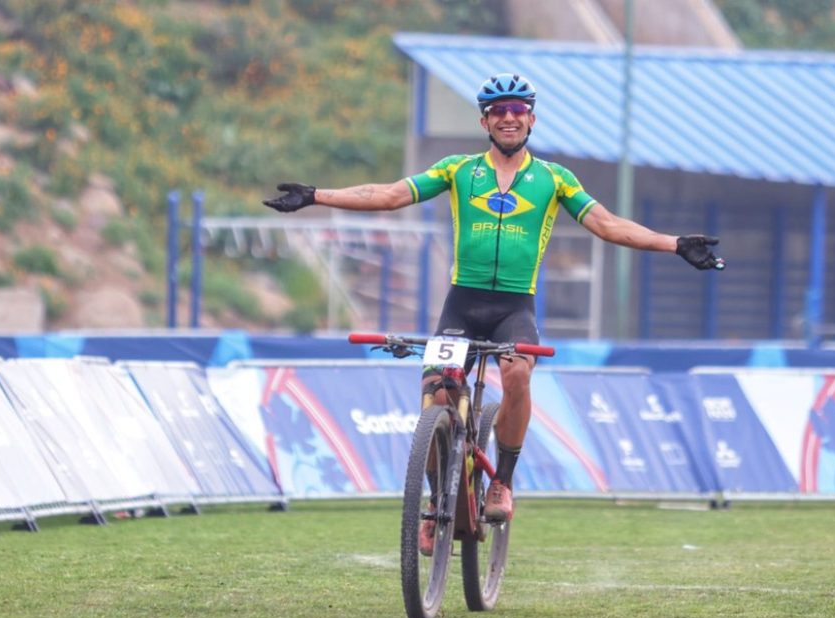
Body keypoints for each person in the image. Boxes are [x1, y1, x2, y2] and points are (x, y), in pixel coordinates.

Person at [264, 72, 724, 531]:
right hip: (462, 306)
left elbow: (606, 224)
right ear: (485, 122)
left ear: (531, 119)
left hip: (513, 310)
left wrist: (674, 243)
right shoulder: (458, 170)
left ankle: (501, 481)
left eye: (517, 110)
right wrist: (315, 196)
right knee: (436, 394)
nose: (508, 118)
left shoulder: (554, 179)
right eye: (499, 111)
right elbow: (388, 195)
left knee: (517, 373)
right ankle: (434, 503)